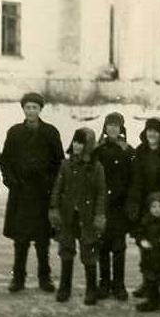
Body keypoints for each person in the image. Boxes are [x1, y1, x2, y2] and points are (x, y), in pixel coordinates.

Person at [1, 92, 64, 293]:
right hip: (21, 192)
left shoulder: (50, 132)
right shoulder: (15, 132)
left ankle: (44, 278)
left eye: (34, 107)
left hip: (42, 194)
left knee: (42, 239)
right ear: (23, 109)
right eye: (27, 107)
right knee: (21, 240)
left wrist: (51, 185)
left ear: (40, 109)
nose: (31, 111)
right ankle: (18, 278)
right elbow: (6, 160)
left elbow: (59, 163)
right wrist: (11, 180)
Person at [49, 127, 106, 305]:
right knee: (66, 249)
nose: (77, 146)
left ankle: (91, 288)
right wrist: (54, 208)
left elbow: (101, 193)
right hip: (68, 215)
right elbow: (57, 188)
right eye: (75, 141)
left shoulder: (96, 167)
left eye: (81, 143)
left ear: (89, 145)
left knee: (89, 250)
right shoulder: (65, 165)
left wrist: (99, 215)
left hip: (87, 217)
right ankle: (65, 287)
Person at [126, 117, 160, 298]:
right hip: (143, 207)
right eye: (149, 130)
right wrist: (133, 203)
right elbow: (134, 179)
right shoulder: (140, 152)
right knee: (145, 247)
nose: (152, 134)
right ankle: (147, 284)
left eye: (155, 131)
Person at [93, 112, 134, 301]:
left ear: (121, 129)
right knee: (102, 246)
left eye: (116, 126)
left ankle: (119, 284)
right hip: (102, 205)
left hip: (120, 206)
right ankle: (104, 283)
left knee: (118, 247)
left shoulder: (127, 151)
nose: (112, 129)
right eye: (109, 125)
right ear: (104, 128)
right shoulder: (97, 150)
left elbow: (133, 179)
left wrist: (129, 203)